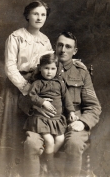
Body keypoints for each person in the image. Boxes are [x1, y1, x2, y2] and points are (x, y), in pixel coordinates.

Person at [24, 31, 101, 177]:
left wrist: (83, 123)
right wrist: (36, 106)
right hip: (43, 120)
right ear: (55, 47)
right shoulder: (40, 70)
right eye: (60, 45)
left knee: (74, 144)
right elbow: (24, 99)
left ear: (75, 51)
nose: (63, 50)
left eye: (68, 46)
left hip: (72, 122)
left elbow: (93, 106)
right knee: (31, 143)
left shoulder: (81, 73)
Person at [0, 0, 54, 177]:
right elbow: (10, 67)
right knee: (12, 128)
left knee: (30, 132)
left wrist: (39, 91)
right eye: (35, 14)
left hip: (36, 88)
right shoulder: (16, 37)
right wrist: (26, 87)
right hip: (16, 87)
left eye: (43, 15)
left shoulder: (45, 41)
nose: (39, 18)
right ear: (27, 15)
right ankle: (9, 173)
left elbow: (49, 67)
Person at [24, 53, 79, 176]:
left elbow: (67, 99)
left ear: (57, 69)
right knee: (49, 140)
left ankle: (45, 160)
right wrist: (42, 102)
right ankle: (50, 166)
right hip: (42, 119)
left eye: (53, 68)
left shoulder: (60, 83)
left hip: (56, 119)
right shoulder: (37, 83)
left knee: (60, 139)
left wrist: (71, 111)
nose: (49, 72)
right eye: (46, 68)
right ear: (40, 68)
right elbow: (31, 96)